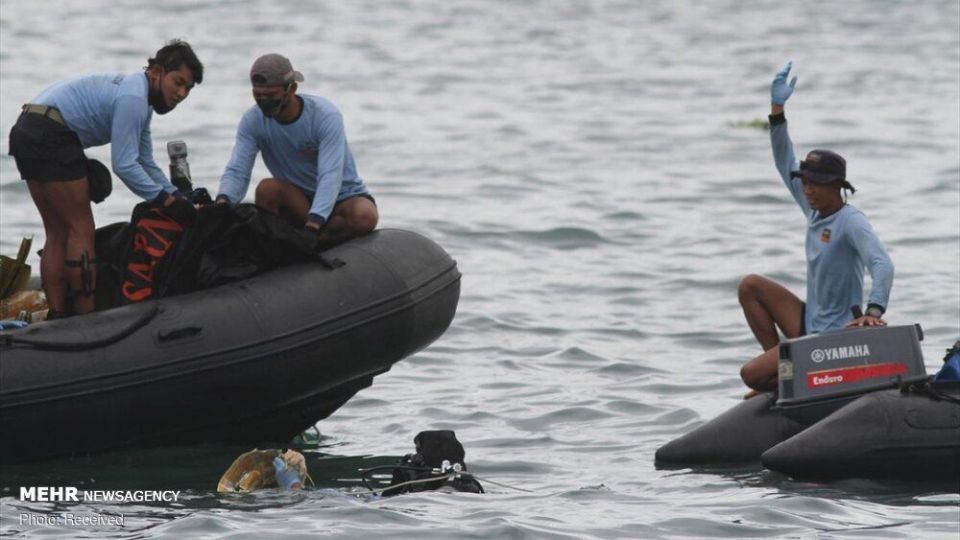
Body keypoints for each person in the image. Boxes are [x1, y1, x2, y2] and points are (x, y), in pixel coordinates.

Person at [7, 40, 203, 318]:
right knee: (81, 229)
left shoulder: (138, 97)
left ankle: (57, 313)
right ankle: (87, 319)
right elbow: (124, 165)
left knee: (57, 231)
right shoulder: (134, 98)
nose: (181, 93)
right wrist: (165, 201)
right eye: (178, 82)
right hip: (52, 135)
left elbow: (144, 160)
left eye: (188, 88)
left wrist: (180, 195)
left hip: (27, 128)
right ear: (157, 71)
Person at [738, 61, 895, 396]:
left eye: (815, 184)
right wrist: (777, 110)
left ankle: (780, 374)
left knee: (750, 375)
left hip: (834, 337)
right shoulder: (812, 208)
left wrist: (873, 311)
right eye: (805, 182)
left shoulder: (852, 221)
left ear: (836, 186)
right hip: (809, 323)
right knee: (750, 286)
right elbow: (784, 161)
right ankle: (782, 367)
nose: (807, 189)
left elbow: (882, 263)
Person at [216, 53, 378, 250]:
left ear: (291, 89)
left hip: (342, 199)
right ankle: (284, 247)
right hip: (298, 201)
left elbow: (330, 175)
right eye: (258, 95)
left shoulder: (324, 116)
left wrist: (314, 225)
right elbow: (237, 170)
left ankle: (312, 243)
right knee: (267, 189)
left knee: (365, 215)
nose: (263, 102)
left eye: (271, 96)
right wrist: (223, 202)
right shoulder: (252, 121)